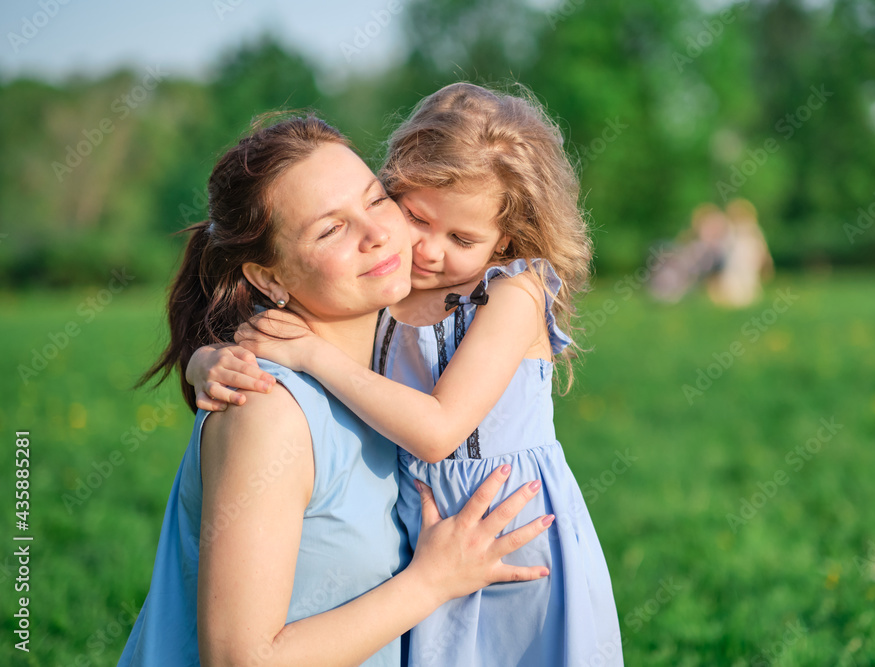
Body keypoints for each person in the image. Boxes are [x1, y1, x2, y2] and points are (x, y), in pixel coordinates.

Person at [188, 84, 623, 666]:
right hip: (428, 545)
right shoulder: (386, 292)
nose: (427, 250)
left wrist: (316, 358)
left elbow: (439, 428)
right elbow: (276, 324)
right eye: (415, 216)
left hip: (508, 535)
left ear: (507, 238)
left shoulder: (510, 293)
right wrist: (203, 362)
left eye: (462, 238)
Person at [119, 115, 554, 666]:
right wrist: (431, 583)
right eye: (331, 229)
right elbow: (239, 661)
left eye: (376, 201)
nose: (377, 234)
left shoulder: (387, 382)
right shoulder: (266, 411)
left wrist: (199, 358)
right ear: (270, 280)